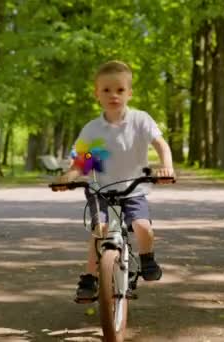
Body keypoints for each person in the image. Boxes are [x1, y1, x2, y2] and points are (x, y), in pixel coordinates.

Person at [57, 60, 176, 302]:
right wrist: (68, 177)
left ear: (129, 93)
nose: (114, 95)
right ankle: (90, 277)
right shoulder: (93, 129)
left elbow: (161, 145)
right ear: (97, 94)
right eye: (107, 90)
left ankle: (147, 258)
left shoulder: (141, 120)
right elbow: (83, 161)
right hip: (101, 190)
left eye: (120, 90)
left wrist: (167, 167)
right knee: (99, 230)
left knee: (143, 226)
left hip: (133, 189)